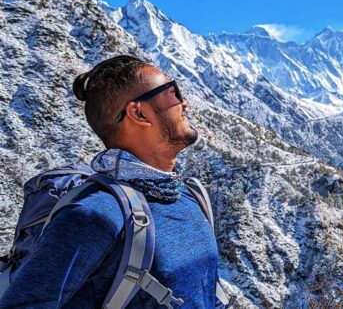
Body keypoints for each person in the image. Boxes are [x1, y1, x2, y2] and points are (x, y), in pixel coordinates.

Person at [0, 55, 225, 308]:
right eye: (172, 92)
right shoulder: (93, 215)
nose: (185, 103)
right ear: (138, 113)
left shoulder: (190, 196)